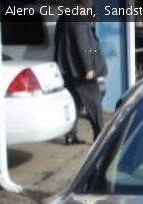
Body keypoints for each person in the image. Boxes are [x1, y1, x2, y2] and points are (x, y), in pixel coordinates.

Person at [53, 0, 108, 145]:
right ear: (87, 5)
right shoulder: (79, 19)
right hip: (80, 71)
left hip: (66, 69)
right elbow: (82, 44)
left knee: (75, 103)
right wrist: (89, 67)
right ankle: (100, 136)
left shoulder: (65, 16)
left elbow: (61, 42)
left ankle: (70, 135)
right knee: (94, 102)